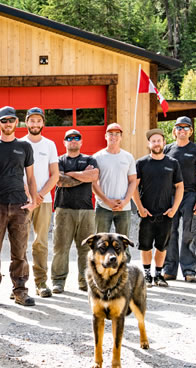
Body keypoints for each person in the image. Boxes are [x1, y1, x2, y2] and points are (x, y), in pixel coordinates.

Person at [0, 106, 38, 306]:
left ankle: (20, 291)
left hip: (19, 206)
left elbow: (30, 177)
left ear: (17, 123)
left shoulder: (24, 147)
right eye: (4, 120)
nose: (8, 124)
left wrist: (33, 201)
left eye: (11, 120)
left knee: (20, 252)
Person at [132, 129, 184, 288]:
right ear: (149, 144)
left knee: (162, 246)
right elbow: (134, 187)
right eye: (153, 141)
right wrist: (140, 208)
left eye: (159, 140)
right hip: (147, 214)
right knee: (146, 246)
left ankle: (158, 275)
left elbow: (180, 187)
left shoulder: (172, 163)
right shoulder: (141, 163)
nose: (156, 143)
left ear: (164, 142)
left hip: (166, 214)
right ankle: (147, 275)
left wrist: (174, 208)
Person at [50, 129, 99, 294]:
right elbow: (59, 181)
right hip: (64, 209)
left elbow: (93, 176)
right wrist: (82, 175)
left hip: (86, 210)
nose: (73, 140)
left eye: (76, 137)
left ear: (81, 141)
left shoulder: (89, 159)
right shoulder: (59, 160)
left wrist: (71, 175)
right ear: (64, 142)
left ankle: (85, 281)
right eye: (69, 138)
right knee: (61, 247)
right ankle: (58, 281)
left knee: (86, 248)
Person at [20, 107, 59, 297]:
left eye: (38, 121)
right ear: (26, 122)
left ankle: (41, 282)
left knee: (41, 243)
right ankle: (19, 285)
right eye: (32, 120)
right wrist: (29, 195)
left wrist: (40, 194)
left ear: (43, 123)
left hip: (43, 201)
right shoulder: (19, 143)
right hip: (22, 200)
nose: (35, 124)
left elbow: (55, 175)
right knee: (19, 243)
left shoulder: (49, 145)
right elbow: (16, 173)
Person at [163, 116, 196, 283]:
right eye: (179, 127)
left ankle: (189, 270)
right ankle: (169, 269)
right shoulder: (167, 149)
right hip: (170, 196)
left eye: (185, 127)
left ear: (191, 131)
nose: (182, 130)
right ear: (174, 131)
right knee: (170, 232)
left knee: (189, 233)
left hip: (189, 195)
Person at [92, 123, 137, 262]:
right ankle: (100, 269)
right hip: (103, 207)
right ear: (105, 136)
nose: (114, 136)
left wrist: (125, 201)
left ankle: (124, 270)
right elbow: (93, 183)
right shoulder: (97, 157)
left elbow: (133, 181)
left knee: (123, 242)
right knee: (100, 241)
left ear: (121, 137)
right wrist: (107, 201)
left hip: (124, 207)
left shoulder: (128, 157)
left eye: (117, 134)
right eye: (111, 133)